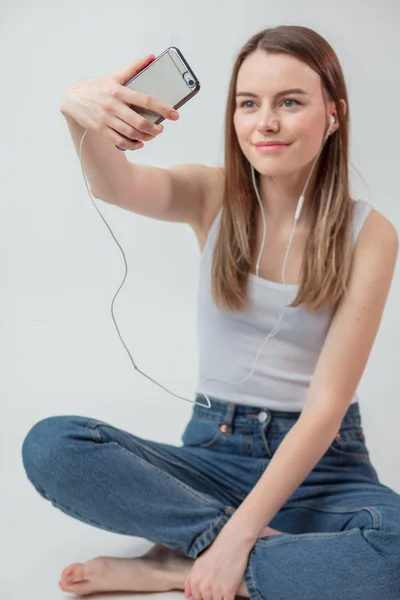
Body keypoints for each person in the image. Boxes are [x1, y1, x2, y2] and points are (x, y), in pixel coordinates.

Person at [22, 25, 400, 600]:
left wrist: (234, 542)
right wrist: (78, 107)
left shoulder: (369, 234)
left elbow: (324, 409)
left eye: (290, 102)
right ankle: (263, 556)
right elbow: (113, 184)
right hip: (214, 455)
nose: (265, 122)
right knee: (51, 444)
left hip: (325, 464)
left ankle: (176, 566)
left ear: (334, 114)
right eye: (248, 104)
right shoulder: (212, 194)